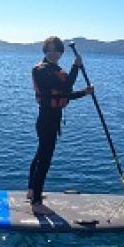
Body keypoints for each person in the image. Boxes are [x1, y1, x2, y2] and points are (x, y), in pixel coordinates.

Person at [27, 36, 94, 214]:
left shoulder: (56, 70)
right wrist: (76, 67)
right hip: (46, 119)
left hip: (53, 118)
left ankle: (32, 191)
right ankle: (36, 203)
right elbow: (65, 87)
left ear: (61, 52)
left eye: (57, 50)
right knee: (45, 160)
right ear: (45, 51)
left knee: (40, 154)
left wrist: (84, 92)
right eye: (49, 50)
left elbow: (63, 94)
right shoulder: (41, 70)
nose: (53, 53)